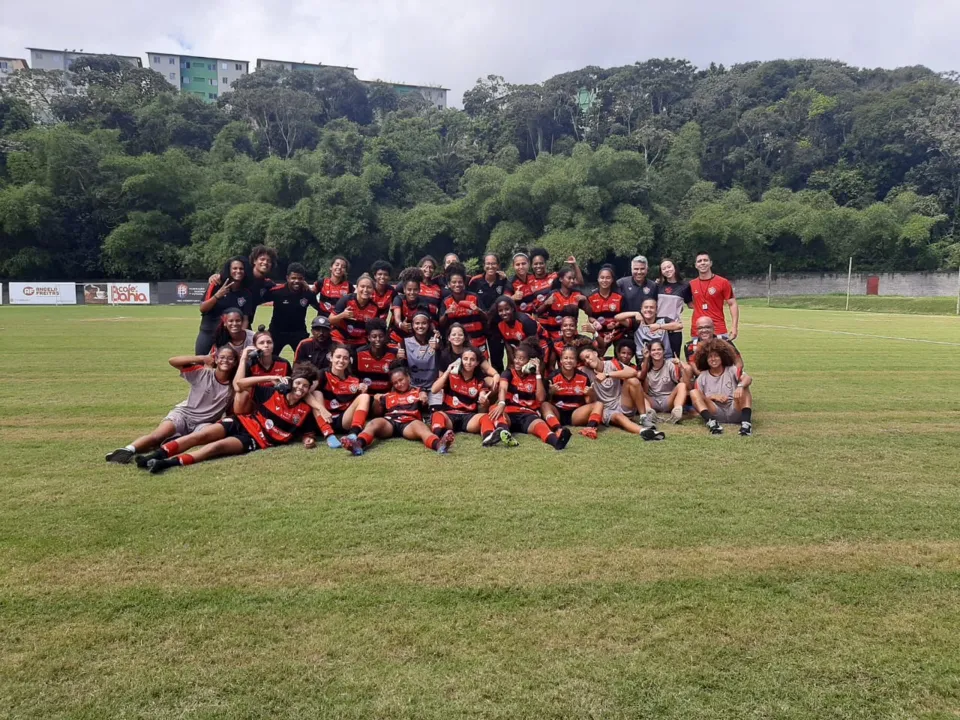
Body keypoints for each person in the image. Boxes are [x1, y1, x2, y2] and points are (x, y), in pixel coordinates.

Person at [139, 362, 321, 473]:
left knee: (215, 447)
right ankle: (154, 455)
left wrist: (308, 440)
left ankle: (166, 463)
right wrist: (271, 377)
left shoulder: (305, 409)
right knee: (198, 436)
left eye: (305, 386)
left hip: (256, 439)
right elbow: (240, 384)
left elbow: (308, 432)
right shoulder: (272, 392)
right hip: (241, 422)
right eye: (298, 383)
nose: (300, 389)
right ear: (290, 382)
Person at [105, 347, 239, 464]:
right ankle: (127, 450)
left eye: (230, 358)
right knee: (158, 435)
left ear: (235, 362)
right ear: (215, 359)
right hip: (184, 414)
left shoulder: (234, 385)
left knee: (200, 438)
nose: (225, 361)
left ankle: (169, 444)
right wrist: (202, 358)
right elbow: (173, 361)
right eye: (222, 357)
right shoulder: (201, 373)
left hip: (205, 422)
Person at [340, 365, 456, 455]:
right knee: (374, 423)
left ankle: (439, 445)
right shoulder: (389, 396)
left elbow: (425, 402)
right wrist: (376, 400)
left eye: (401, 380)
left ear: (408, 378)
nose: (399, 384)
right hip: (390, 423)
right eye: (395, 383)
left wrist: (424, 397)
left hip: (409, 423)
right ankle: (357, 444)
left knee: (420, 427)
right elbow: (376, 413)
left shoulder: (418, 392)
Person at [487, 341, 572, 450]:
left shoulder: (537, 378)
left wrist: (537, 374)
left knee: (540, 425)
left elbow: (540, 399)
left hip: (528, 415)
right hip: (509, 413)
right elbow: (502, 388)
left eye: (521, 359)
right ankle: (504, 432)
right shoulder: (508, 373)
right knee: (494, 408)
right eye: (516, 358)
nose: (517, 361)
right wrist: (502, 403)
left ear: (530, 361)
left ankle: (557, 442)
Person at [429, 347, 515, 447]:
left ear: (477, 363)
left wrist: (484, 400)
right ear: (461, 360)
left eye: (472, 360)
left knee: (485, 417)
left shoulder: (479, 380)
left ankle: (488, 437)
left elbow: (483, 396)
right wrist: (447, 371)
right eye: (465, 359)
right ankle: (440, 437)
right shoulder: (451, 376)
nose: (468, 362)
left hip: (468, 417)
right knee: (437, 415)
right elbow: (434, 390)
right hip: (449, 414)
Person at [578, 346, 664, 440]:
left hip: (621, 402)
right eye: (584, 360)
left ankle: (643, 418)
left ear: (595, 353)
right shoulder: (585, 371)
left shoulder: (612, 364)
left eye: (588, 356)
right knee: (619, 417)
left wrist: (607, 375)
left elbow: (633, 372)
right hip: (606, 409)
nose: (587, 361)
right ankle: (645, 432)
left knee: (633, 381)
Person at [689, 338, 753, 436]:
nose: (713, 359)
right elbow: (698, 398)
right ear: (705, 360)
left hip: (734, 407)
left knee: (745, 387)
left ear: (722, 357)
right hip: (716, 411)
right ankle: (711, 423)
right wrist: (713, 396)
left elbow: (748, 378)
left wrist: (740, 386)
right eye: (710, 357)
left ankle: (746, 424)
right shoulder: (702, 376)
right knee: (693, 392)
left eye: (716, 356)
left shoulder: (732, 370)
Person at [311, 345, 372, 446]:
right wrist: (322, 409)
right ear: (331, 358)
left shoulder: (354, 379)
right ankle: (329, 435)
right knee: (316, 393)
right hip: (325, 418)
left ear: (349, 361)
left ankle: (353, 434)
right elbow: (306, 393)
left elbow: (358, 403)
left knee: (365, 397)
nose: (341, 360)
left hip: (343, 420)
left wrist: (363, 390)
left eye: (345, 358)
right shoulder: (322, 374)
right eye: (338, 357)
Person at [542, 345, 605, 439]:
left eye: (571, 358)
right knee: (544, 405)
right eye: (565, 358)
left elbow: (588, 401)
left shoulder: (583, 377)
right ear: (561, 361)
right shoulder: (553, 376)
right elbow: (548, 401)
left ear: (576, 362)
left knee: (599, 404)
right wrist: (551, 392)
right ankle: (558, 429)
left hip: (576, 413)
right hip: (558, 412)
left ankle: (590, 428)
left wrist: (591, 394)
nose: (568, 361)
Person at [196, 256, 254, 353]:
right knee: (202, 362)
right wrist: (217, 295)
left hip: (230, 336)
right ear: (229, 270)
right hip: (209, 332)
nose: (238, 271)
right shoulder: (216, 285)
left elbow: (245, 319)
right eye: (234, 268)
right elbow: (203, 308)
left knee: (227, 364)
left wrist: (240, 340)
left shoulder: (246, 293)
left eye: (241, 268)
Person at [206, 246, 277, 325]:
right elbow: (227, 275)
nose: (265, 262)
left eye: (269, 261)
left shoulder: (268, 285)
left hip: (244, 325)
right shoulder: (241, 276)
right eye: (262, 259)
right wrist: (215, 276)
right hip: (224, 325)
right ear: (254, 261)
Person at [262, 262, 319, 356]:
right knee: (270, 358)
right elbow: (259, 298)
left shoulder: (307, 293)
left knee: (304, 361)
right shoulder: (277, 292)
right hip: (277, 332)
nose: (296, 281)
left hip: (298, 333)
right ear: (287, 278)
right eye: (293, 278)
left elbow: (319, 308)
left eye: (299, 278)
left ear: (303, 279)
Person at [682, 251, 739, 340]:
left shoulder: (723, 282)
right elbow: (689, 304)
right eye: (699, 261)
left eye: (705, 260)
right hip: (698, 331)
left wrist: (734, 327)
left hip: (718, 330)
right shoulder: (691, 284)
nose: (703, 263)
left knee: (720, 354)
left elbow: (732, 304)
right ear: (696, 265)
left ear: (710, 263)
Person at [233, 332, 293, 414]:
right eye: (261, 343)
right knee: (241, 394)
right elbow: (237, 387)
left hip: (276, 399)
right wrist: (243, 358)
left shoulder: (283, 363)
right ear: (255, 347)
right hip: (256, 399)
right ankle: (241, 420)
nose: (266, 345)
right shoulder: (250, 364)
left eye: (269, 342)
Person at [468, 253, 509, 372]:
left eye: (493, 263)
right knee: (478, 357)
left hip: (496, 326)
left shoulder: (503, 280)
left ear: (498, 265)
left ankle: (498, 383)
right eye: (488, 263)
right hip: (478, 326)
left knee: (497, 358)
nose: (491, 266)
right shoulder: (475, 282)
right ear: (484, 265)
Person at [439, 263, 487, 354]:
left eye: (460, 282)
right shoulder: (446, 301)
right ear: (449, 284)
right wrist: (446, 314)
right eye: (454, 282)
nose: (457, 285)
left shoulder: (474, 297)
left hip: (477, 342)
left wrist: (478, 310)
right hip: (458, 345)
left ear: (464, 283)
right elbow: (441, 324)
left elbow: (486, 317)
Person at [616, 297, 682, 363]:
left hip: (664, 357)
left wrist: (660, 326)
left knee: (685, 367)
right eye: (646, 307)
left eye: (651, 307)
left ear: (656, 310)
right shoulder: (637, 323)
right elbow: (617, 318)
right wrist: (635, 313)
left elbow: (679, 325)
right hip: (644, 359)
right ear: (641, 310)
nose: (648, 309)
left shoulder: (663, 321)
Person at [399, 310, 443, 408]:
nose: (420, 326)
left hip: (434, 386)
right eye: (417, 323)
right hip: (414, 386)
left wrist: (439, 348)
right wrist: (399, 358)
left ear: (428, 325)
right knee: (412, 408)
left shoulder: (436, 340)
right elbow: (401, 366)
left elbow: (444, 361)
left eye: (424, 323)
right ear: (412, 325)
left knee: (436, 410)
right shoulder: (406, 341)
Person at [493, 296, 551, 368]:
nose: (504, 313)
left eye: (507, 309)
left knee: (535, 372)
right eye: (500, 310)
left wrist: (528, 363)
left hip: (540, 345)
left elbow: (535, 344)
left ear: (513, 308)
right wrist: (514, 362)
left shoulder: (525, 321)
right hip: (521, 349)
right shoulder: (500, 324)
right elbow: (508, 345)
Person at [639, 339, 687, 424]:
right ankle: (649, 412)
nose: (656, 352)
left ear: (664, 351)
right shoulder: (646, 365)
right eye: (653, 350)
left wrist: (681, 369)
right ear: (649, 352)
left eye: (659, 349)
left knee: (682, 385)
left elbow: (682, 382)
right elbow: (645, 390)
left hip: (668, 399)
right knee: (637, 390)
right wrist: (646, 362)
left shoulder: (670, 365)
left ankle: (677, 411)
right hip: (653, 400)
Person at [536, 266, 587, 341]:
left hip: (572, 337)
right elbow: (538, 312)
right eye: (569, 278)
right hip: (554, 336)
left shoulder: (577, 294)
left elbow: (589, 312)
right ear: (561, 279)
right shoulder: (553, 294)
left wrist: (585, 300)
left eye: (573, 278)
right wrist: (546, 304)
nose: (572, 281)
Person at [390, 268, 440, 344]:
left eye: (415, 289)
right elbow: (397, 319)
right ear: (404, 290)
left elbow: (428, 321)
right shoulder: (398, 299)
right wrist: (401, 325)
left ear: (419, 290)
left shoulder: (423, 302)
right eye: (409, 289)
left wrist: (434, 331)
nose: (412, 292)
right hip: (397, 337)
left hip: (413, 340)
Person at [585, 264, 626, 356]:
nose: (604, 280)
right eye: (602, 278)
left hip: (617, 333)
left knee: (621, 358)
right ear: (598, 279)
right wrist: (595, 322)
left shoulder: (620, 296)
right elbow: (590, 317)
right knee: (595, 356)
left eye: (608, 278)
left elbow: (624, 316)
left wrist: (617, 323)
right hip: (600, 334)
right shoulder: (591, 297)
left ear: (612, 280)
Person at [330, 274, 379, 347]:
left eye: (369, 287)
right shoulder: (346, 300)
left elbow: (373, 330)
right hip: (340, 339)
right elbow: (330, 320)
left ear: (373, 290)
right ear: (357, 287)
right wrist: (342, 315)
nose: (365, 290)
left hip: (359, 342)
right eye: (362, 286)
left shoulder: (374, 307)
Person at [353, 319, 398, 395]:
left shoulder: (394, 353)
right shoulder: (359, 353)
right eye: (374, 336)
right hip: (365, 395)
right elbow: (353, 375)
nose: (378, 339)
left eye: (381, 336)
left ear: (386, 337)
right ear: (369, 338)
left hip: (386, 395)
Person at [656, 258, 688, 358]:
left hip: (674, 329)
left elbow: (691, 304)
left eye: (669, 267)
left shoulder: (684, 286)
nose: (667, 270)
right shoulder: (657, 285)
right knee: (657, 358)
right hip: (658, 328)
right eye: (664, 268)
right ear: (661, 272)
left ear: (674, 267)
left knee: (674, 360)